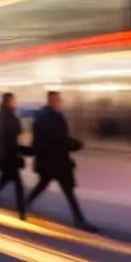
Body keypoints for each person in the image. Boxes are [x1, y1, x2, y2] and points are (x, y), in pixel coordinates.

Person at [27, 91, 97, 232]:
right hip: (56, 161)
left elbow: (54, 138)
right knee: (68, 191)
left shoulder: (43, 116)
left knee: (43, 185)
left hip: (48, 160)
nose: (60, 102)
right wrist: (76, 144)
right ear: (52, 100)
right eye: (58, 99)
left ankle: (24, 204)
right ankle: (79, 220)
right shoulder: (51, 117)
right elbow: (59, 138)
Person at [0, 93, 29, 222]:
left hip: (3, 155)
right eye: (14, 101)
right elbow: (18, 133)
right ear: (9, 102)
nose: (15, 103)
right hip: (10, 156)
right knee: (16, 186)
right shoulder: (11, 117)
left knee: (4, 183)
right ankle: (21, 213)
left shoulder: (0, 116)